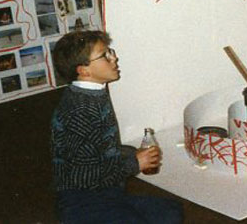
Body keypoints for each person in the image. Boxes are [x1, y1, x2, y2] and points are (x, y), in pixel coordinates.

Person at [51, 30, 183, 224]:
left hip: (108, 192)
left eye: (110, 52)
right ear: (84, 70)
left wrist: (131, 153)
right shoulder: (80, 111)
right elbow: (85, 177)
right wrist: (135, 163)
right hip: (83, 200)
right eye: (105, 55)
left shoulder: (94, 92)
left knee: (171, 212)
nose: (114, 58)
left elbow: (102, 148)